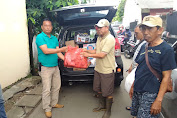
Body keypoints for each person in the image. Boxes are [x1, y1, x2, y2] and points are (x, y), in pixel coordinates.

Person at [129, 15, 176, 118]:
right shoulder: (144, 46)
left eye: (150, 28)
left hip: (151, 94)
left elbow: (166, 77)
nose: (145, 32)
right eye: (143, 28)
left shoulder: (166, 49)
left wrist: (158, 100)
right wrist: (133, 86)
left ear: (160, 30)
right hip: (138, 90)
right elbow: (140, 68)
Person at [82, 19, 115, 118]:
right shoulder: (99, 38)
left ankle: (108, 111)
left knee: (108, 92)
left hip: (107, 70)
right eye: (97, 27)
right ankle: (102, 106)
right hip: (98, 68)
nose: (98, 29)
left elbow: (101, 55)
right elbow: (97, 50)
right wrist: (87, 50)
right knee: (98, 89)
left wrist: (86, 54)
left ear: (107, 28)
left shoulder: (110, 39)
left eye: (100, 27)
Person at [36, 18, 67, 118]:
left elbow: (58, 52)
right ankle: (47, 108)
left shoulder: (54, 38)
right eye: (45, 25)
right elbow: (46, 51)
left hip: (55, 66)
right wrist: (62, 49)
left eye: (49, 25)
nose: (48, 27)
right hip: (45, 68)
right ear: (42, 27)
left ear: (52, 27)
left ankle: (54, 103)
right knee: (46, 89)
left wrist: (67, 60)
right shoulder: (40, 37)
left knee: (57, 86)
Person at [125, 24, 146, 111]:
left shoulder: (146, 43)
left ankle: (137, 110)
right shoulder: (139, 41)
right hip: (135, 69)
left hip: (140, 71)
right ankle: (134, 106)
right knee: (133, 90)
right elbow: (136, 56)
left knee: (136, 91)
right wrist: (131, 66)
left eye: (137, 33)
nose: (135, 35)